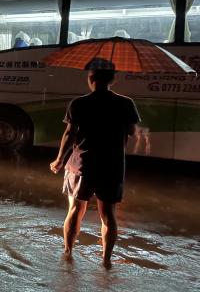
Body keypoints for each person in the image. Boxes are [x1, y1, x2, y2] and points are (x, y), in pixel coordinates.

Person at [49, 58, 140, 269]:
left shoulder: (79, 103)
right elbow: (131, 132)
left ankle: (68, 253)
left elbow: (69, 134)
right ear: (113, 79)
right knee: (108, 215)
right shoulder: (126, 103)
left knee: (75, 210)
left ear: (91, 79)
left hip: (81, 164)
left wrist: (59, 159)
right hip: (112, 166)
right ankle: (106, 260)